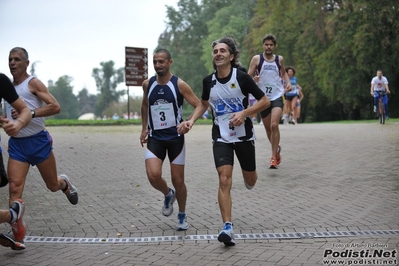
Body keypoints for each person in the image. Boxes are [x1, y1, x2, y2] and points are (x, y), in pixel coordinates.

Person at [177, 36, 270, 246]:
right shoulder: (208, 81)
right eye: (216, 51)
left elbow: (265, 101)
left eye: (222, 51)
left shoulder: (243, 78)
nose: (218, 54)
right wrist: (191, 120)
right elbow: (203, 104)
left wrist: (244, 113)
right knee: (224, 179)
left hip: (244, 136)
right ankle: (227, 227)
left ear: (232, 56)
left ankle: (250, 177)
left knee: (251, 180)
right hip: (221, 136)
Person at [0, 47, 79, 250]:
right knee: (14, 187)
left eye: (17, 59)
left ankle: (65, 183)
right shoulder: (6, 86)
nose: (12, 63)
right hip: (18, 144)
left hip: (38, 141)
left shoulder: (32, 83)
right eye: (10, 59)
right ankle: (18, 232)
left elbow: (55, 106)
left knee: (52, 185)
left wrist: (31, 113)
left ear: (26, 63)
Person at [140, 49, 199, 231]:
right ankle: (168, 194)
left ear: (169, 62)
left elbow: (199, 105)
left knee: (178, 180)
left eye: (161, 62)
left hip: (175, 139)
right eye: (155, 62)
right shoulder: (147, 84)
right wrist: (144, 128)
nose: (158, 65)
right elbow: (144, 104)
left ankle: (182, 215)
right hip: (155, 137)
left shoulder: (179, 84)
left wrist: (189, 122)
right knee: (153, 176)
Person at [248, 34, 291, 169]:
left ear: (274, 46)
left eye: (271, 45)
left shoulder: (279, 59)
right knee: (268, 129)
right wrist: (253, 80)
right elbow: (248, 76)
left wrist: (288, 83)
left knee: (274, 125)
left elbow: (283, 73)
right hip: (263, 98)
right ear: (263, 45)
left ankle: (273, 158)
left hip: (277, 95)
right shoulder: (257, 59)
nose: (269, 47)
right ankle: (276, 149)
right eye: (266, 44)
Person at [0, 73, 33, 250]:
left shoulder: (1, 81)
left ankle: (12, 215)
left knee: (52, 184)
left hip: (36, 141)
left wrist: (18, 123)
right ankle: (12, 215)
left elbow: (25, 110)